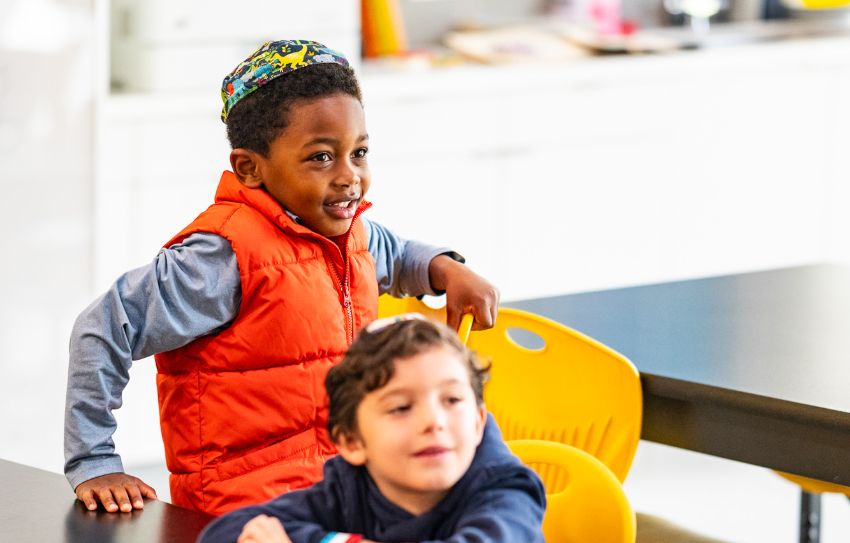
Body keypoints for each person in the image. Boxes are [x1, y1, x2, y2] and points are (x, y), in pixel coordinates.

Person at [64, 39, 499, 516]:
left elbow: (395, 255)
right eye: (321, 157)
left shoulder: (348, 232)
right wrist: (95, 460)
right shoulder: (220, 258)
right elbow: (103, 328)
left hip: (344, 490)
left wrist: (446, 269)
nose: (349, 176)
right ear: (250, 168)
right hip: (248, 510)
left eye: (359, 152)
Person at [197, 316, 546, 543]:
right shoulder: (351, 488)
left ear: (478, 422)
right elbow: (226, 533)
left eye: (452, 400)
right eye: (401, 408)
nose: (433, 421)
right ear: (352, 442)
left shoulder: (507, 492)